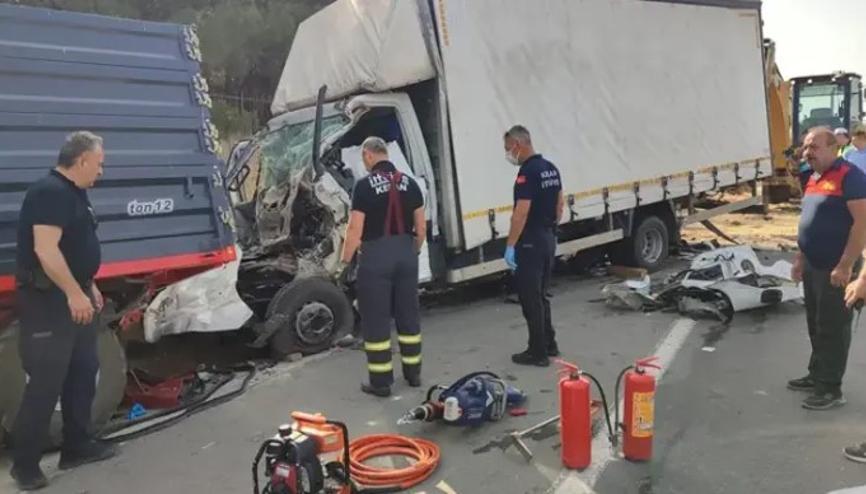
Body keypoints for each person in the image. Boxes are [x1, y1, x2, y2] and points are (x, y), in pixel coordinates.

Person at [10, 131, 116, 491]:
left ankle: (77, 445)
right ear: (82, 159)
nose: (101, 171)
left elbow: (75, 246)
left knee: (84, 370)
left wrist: (89, 285)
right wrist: (73, 292)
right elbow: (46, 250)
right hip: (48, 303)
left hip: (75, 296)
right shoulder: (49, 192)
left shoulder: (74, 193)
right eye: (98, 164)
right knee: (45, 382)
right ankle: (25, 466)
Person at [340, 136, 426, 397]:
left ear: (368, 155)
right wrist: (412, 251)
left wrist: (345, 262)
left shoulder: (364, 186)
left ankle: (381, 382)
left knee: (376, 321)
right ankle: (413, 374)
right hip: (406, 256)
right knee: (408, 316)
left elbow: (355, 230)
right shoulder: (410, 184)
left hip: (376, 258)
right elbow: (421, 228)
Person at [788, 127, 866, 410]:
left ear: (834, 148)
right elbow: (808, 220)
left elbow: (862, 224)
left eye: (815, 147)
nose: (808, 152)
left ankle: (831, 389)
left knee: (833, 328)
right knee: (816, 324)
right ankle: (817, 374)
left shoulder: (850, 176)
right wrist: (800, 258)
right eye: (806, 147)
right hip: (813, 264)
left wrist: (846, 265)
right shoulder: (813, 177)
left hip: (837, 267)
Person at [502, 125, 564, 367]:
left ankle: (537, 352)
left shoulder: (527, 173)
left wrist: (511, 244)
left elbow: (521, 213)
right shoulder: (551, 168)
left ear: (518, 144)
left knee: (530, 299)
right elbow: (559, 204)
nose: (508, 154)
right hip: (547, 236)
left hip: (530, 241)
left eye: (508, 148)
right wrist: (551, 229)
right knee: (542, 295)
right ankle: (550, 343)